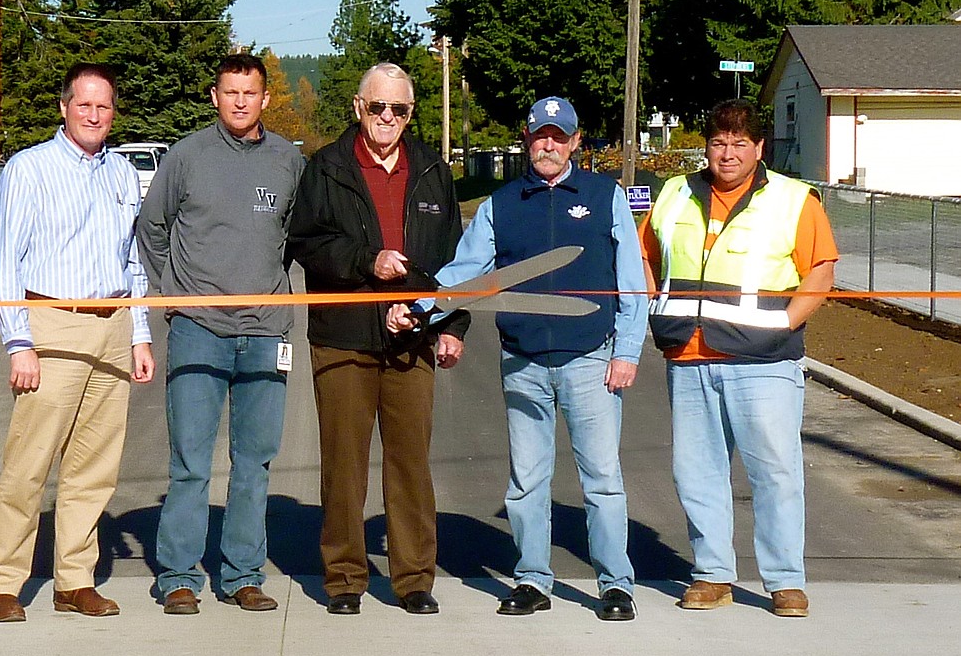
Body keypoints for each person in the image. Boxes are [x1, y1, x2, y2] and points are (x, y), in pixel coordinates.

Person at [389, 96, 648, 621]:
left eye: (559, 136)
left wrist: (626, 352)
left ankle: (615, 584)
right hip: (523, 362)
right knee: (527, 480)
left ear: (576, 142)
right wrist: (417, 309)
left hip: (590, 360)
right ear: (526, 141)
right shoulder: (500, 205)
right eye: (539, 136)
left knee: (601, 478)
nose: (548, 145)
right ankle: (532, 579)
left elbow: (631, 282)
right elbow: (465, 272)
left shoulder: (605, 197)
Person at [639, 98, 837, 618]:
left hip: (764, 361)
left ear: (759, 148)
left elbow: (820, 272)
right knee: (696, 472)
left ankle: (785, 581)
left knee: (775, 471)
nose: (727, 153)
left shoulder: (795, 200)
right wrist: (653, 311)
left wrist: (786, 324)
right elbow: (645, 256)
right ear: (707, 146)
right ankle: (712, 574)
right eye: (719, 142)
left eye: (739, 143)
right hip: (688, 353)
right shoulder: (675, 193)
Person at [287, 62, 469, 616]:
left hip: (413, 338)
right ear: (358, 108)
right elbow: (307, 244)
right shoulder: (326, 168)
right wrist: (369, 262)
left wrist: (451, 326)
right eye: (378, 107)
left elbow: (456, 262)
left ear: (411, 113)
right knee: (344, 463)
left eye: (400, 109)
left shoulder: (433, 171)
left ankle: (414, 578)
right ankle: (344, 579)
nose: (388, 118)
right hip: (344, 337)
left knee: (410, 463)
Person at [0, 62, 155, 623]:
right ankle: (2, 582)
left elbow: (133, 261)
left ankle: (74, 580)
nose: (93, 114)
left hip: (112, 326)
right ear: (64, 107)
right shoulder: (28, 170)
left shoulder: (123, 174)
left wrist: (139, 334)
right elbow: (4, 260)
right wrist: (18, 342)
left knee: (93, 467)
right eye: (84, 104)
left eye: (103, 106)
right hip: (51, 324)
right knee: (29, 463)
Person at [136, 53, 304, 615]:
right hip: (199, 330)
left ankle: (243, 574)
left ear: (264, 99)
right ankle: (179, 576)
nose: (239, 101)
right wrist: (173, 293)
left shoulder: (287, 161)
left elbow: (296, 237)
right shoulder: (185, 157)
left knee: (254, 462)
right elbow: (152, 228)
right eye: (229, 92)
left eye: (249, 93)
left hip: (265, 330)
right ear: (215, 96)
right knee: (190, 462)